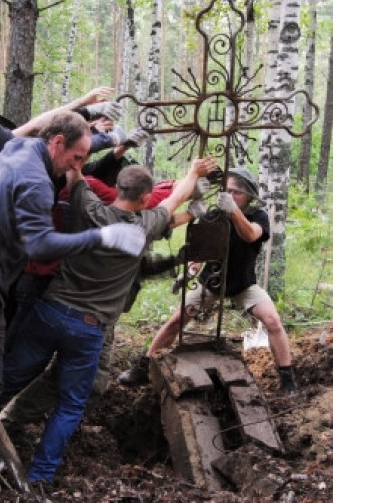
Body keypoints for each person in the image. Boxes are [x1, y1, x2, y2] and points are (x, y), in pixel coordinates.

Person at [0, 156, 218, 485]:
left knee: (4, 380)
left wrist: (91, 145)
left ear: (117, 188)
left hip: (49, 312)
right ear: (146, 199)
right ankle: (39, 478)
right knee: (71, 404)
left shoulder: (86, 205)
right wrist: (193, 173)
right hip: (87, 328)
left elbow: (75, 171)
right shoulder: (144, 226)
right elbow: (174, 200)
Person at [0, 109, 147, 410]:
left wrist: (113, 139)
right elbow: (40, 245)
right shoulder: (36, 182)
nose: (77, 167)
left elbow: (48, 130)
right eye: (76, 159)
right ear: (57, 142)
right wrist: (103, 237)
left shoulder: (16, 147)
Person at [117, 167, 298, 395]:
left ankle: (287, 378)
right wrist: (190, 271)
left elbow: (251, 235)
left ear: (248, 196)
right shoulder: (213, 215)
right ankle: (143, 365)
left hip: (242, 284)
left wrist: (234, 213)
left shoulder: (257, 216)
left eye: (237, 193)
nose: (231, 196)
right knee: (177, 320)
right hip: (210, 281)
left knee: (272, 320)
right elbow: (200, 249)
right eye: (228, 191)